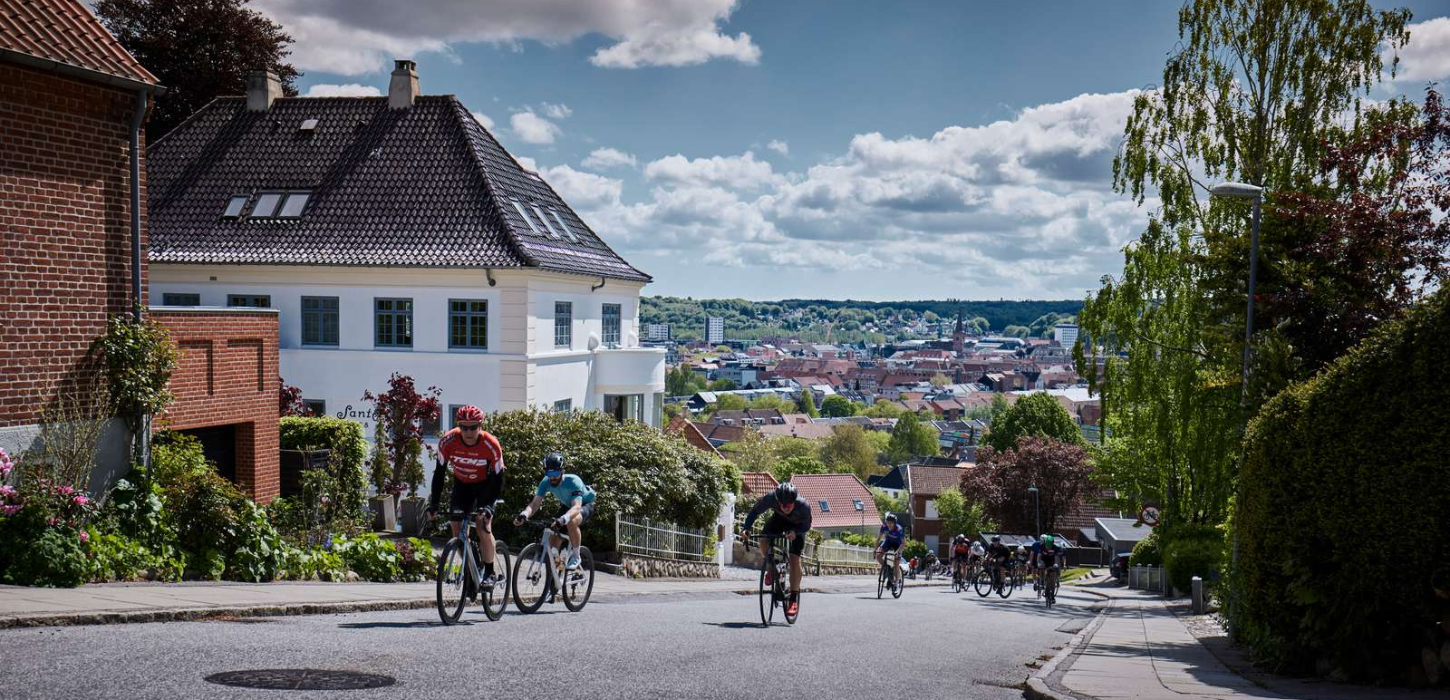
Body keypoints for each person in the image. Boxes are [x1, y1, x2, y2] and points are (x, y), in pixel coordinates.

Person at [430, 405, 505, 586]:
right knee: (457, 527)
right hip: (461, 484)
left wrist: (488, 505)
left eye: (473, 427)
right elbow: (439, 474)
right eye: (464, 427)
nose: (468, 431)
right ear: (459, 426)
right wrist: (434, 504)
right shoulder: (447, 441)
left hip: (485, 485)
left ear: (480, 425)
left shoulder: (490, 444)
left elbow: (499, 478)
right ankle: (472, 566)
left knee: (482, 525)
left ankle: (489, 571)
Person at [740, 482, 812, 617]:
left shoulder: (803, 505)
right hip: (778, 521)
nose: (785, 507)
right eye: (782, 505)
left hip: (797, 527)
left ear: (794, 501)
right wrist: (746, 528)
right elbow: (755, 511)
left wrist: (796, 533)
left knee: (794, 559)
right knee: (763, 539)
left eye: (789, 505)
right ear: (777, 501)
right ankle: (771, 568)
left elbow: (807, 525)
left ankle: (793, 599)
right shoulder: (771, 498)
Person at [513, 452, 595, 570]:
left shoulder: (573, 481)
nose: (552, 477)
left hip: (585, 504)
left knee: (571, 521)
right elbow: (535, 503)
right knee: (552, 541)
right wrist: (524, 514)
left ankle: (576, 556)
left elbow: (576, 507)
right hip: (567, 505)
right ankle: (558, 572)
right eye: (548, 473)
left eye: (555, 473)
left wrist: (563, 519)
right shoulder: (546, 482)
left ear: (562, 471)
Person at [875, 512, 906, 590]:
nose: (889, 524)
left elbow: (904, 543)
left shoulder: (899, 529)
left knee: (896, 564)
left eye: (891, 523)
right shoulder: (884, 526)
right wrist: (875, 550)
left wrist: (897, 551)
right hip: (888, 542)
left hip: (898, 545)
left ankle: (896, 582)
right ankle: (887, 568)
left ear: (895, 523)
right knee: (878, 556)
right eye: (888, 522)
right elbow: (878, 539)